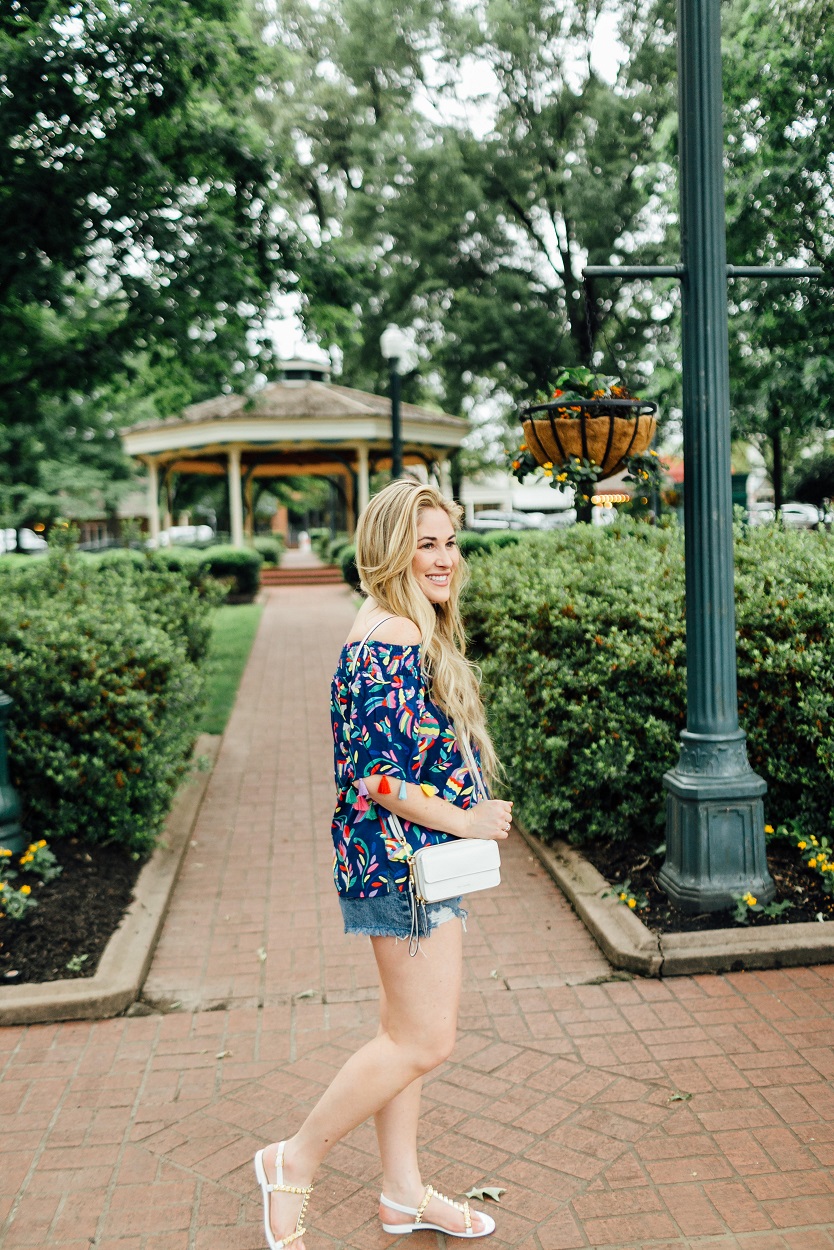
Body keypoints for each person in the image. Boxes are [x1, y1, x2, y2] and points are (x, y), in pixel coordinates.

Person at [254, 480, 513, 1250]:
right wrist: (467, 816)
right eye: (424, 543)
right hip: (403, 864)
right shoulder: (392, 636)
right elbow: (375, 776)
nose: (443, 558)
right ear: (389, 550)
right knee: (424, 1042)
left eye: (449, 541)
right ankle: (291, 1158)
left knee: (402, 1034)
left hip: (412, 862)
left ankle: (402, 1196)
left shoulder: (399, 625)